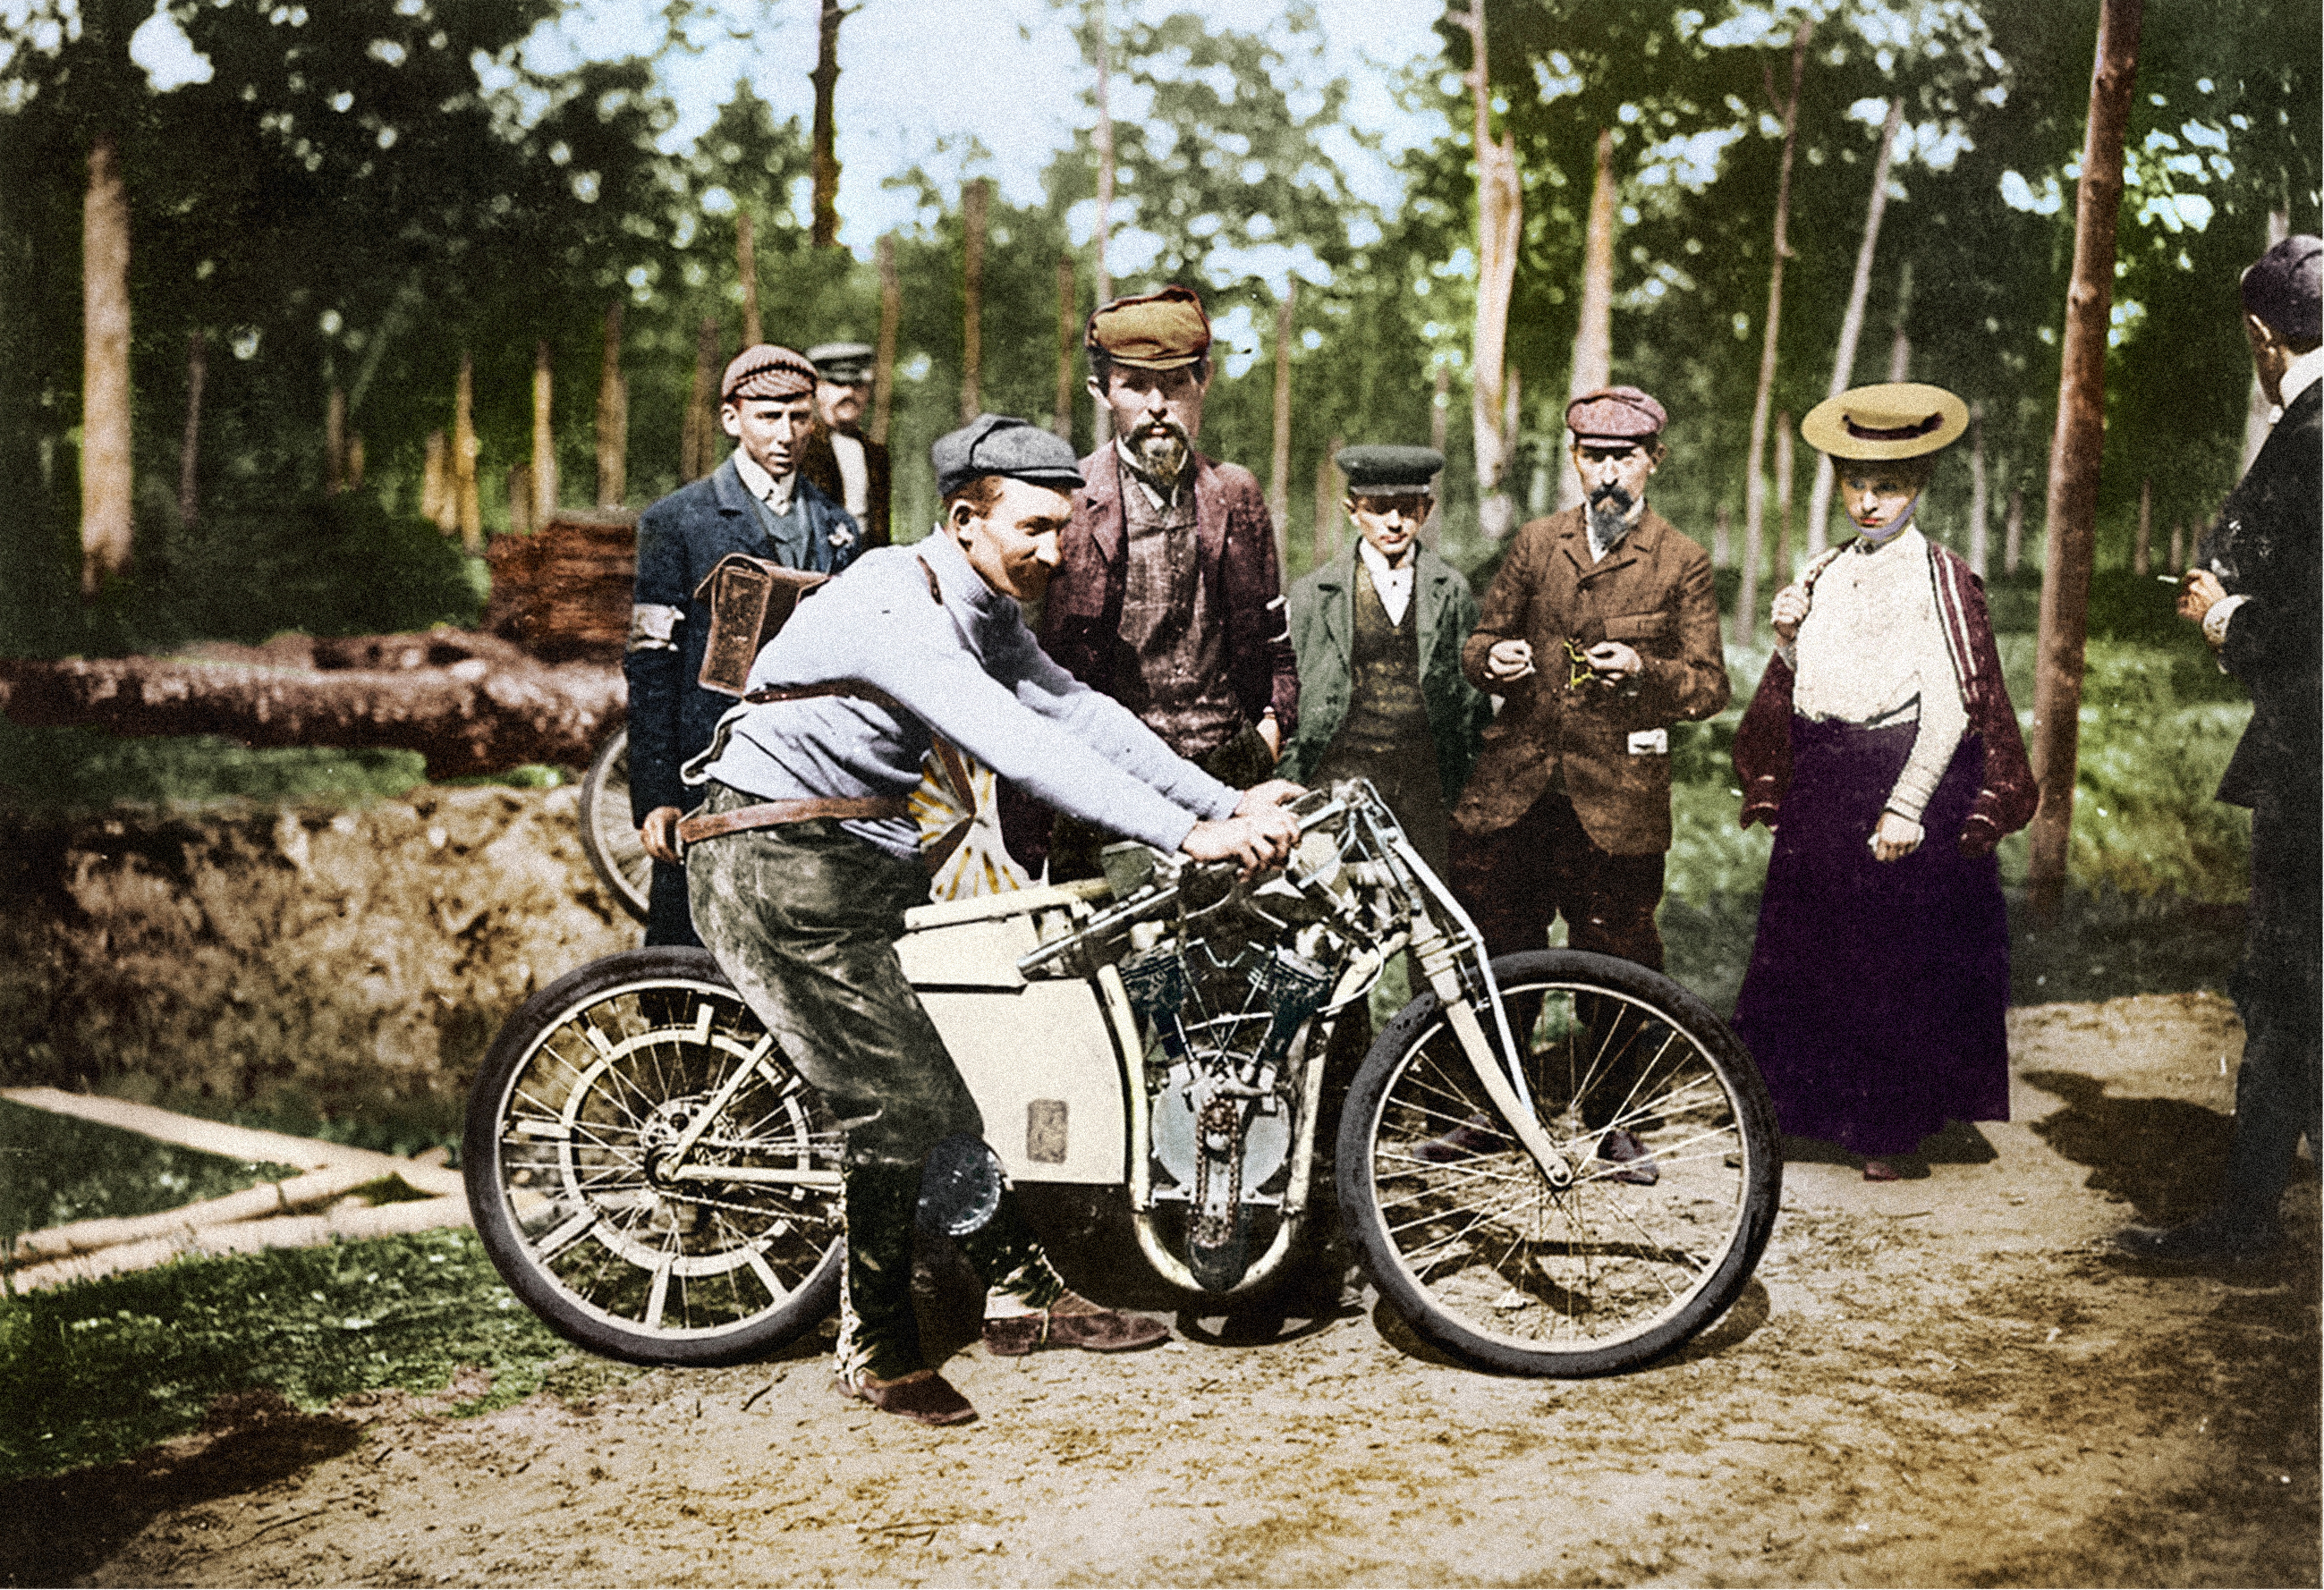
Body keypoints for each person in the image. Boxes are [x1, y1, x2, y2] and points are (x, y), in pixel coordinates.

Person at [681, 414, 1304, 1425]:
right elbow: (1016, 743)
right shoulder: (896, 597)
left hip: (851, 859)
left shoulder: (981, 604)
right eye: (1035, 529)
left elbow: (1081, 715)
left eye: (1066, 528)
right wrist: (1184, 838)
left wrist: (1220, 804)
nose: (1057, 552)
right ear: (965, 518)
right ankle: (874, 1342)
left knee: (962, 1070)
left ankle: (1020, 1290)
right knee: (900, 1099)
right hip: (770, 862)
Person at [1730, 382, 2036, 1181]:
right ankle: (1802, 1117)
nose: (1869, 501)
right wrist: (1789, 639)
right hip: (1823, 780)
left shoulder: (1938, 577)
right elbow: (1806, 688)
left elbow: (1952, 707)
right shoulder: (1826, 568)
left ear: (1920, 485)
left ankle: (1888, 1132)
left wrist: (1908, 806)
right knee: (1807, 951)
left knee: (1888, 960)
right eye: (1855, 483)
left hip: (1893, 775)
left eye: (1889, 486)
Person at [1440, 386, 1729, 1178]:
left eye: (1624, 458)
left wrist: (1644, 669)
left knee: (1619, 963)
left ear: (1653, 463)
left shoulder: (1682, 562)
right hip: (1518, 792)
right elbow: (1479, 642)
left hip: (1618, 803)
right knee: (1502, 953)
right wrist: (1491, 659)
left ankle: (1616, 1120)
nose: (1607, 475)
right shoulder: (1536, 546)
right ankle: (1495, 1113)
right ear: (1575, 461)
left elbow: (1709, 686)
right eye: (1594, 458)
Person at [2118, 235, 2321, 1265]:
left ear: (2262, 336)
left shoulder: (2314, 430)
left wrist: (2224, 616)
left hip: (2315, 760)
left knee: (2285, 981)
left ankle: (2246, 1224)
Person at [1023, 283, 1300, 876]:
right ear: (1102, 391)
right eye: (1135, 386)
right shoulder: (1065, 500)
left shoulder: (1237, 493)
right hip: (1107, 782)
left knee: (1232, 957)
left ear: (1205, 382)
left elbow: (1275, 638)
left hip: (1228, 771)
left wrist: (1272, 728)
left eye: (1175, 384)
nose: (1157, 406)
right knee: (1114, 961)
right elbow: (1030, 658)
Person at [624, 343, 861, 948]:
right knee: (688, 953)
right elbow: (651, 663)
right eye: (768, 415)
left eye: (799, 416)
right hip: (707, 775)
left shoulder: (838, 528)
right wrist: (656, 796)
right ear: (732, 419)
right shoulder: (678, 521)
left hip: (807, 779)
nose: (786, 433)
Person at [1283, 444, 1489, 879]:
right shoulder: (1313, 594)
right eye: (1379, 509)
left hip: (1424, 785)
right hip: (1337, 782)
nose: (1394, 523)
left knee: (1431, 914)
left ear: (1427, 510)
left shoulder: (1450, 590)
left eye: (1407, 509)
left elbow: (1471, 700)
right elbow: (1291, 693)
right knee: (1333, 909)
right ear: (1352, 511)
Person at [798, 341, 891, 549]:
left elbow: (881, 532)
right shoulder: (799, 449)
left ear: (868, 391)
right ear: (818, 390)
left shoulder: (877, 454)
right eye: (838, 384)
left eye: (858, 385)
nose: (849, 393)